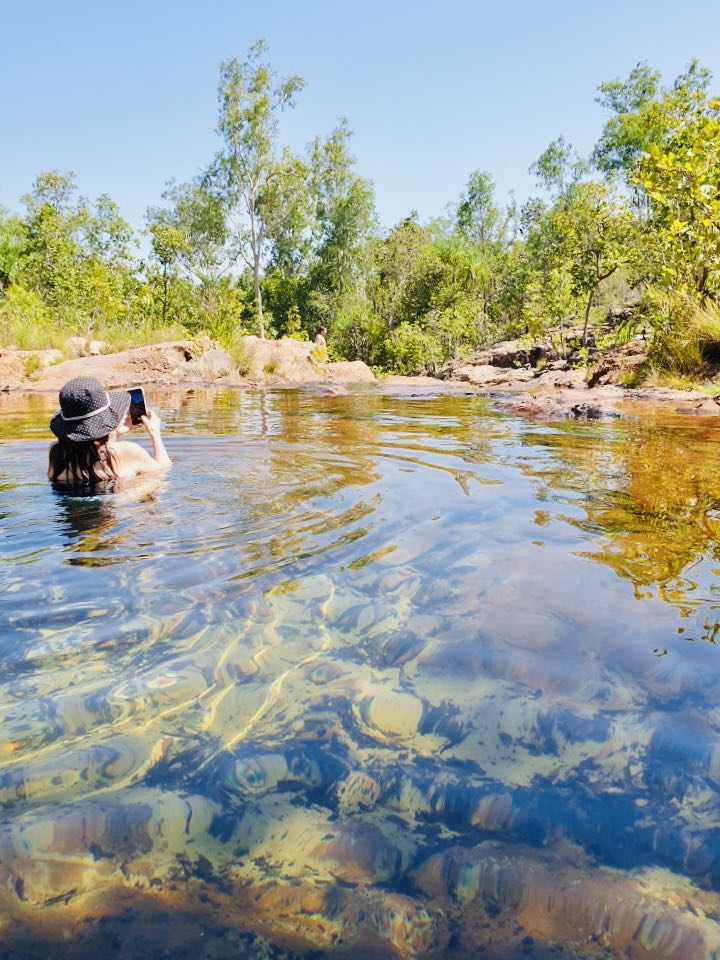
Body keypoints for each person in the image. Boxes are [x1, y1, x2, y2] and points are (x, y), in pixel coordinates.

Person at [48, 376, 171, 487]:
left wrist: (114, 433)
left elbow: (91, 450)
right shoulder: (128, 451)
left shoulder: (55, 453)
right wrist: (155, 435)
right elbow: (163, 474)